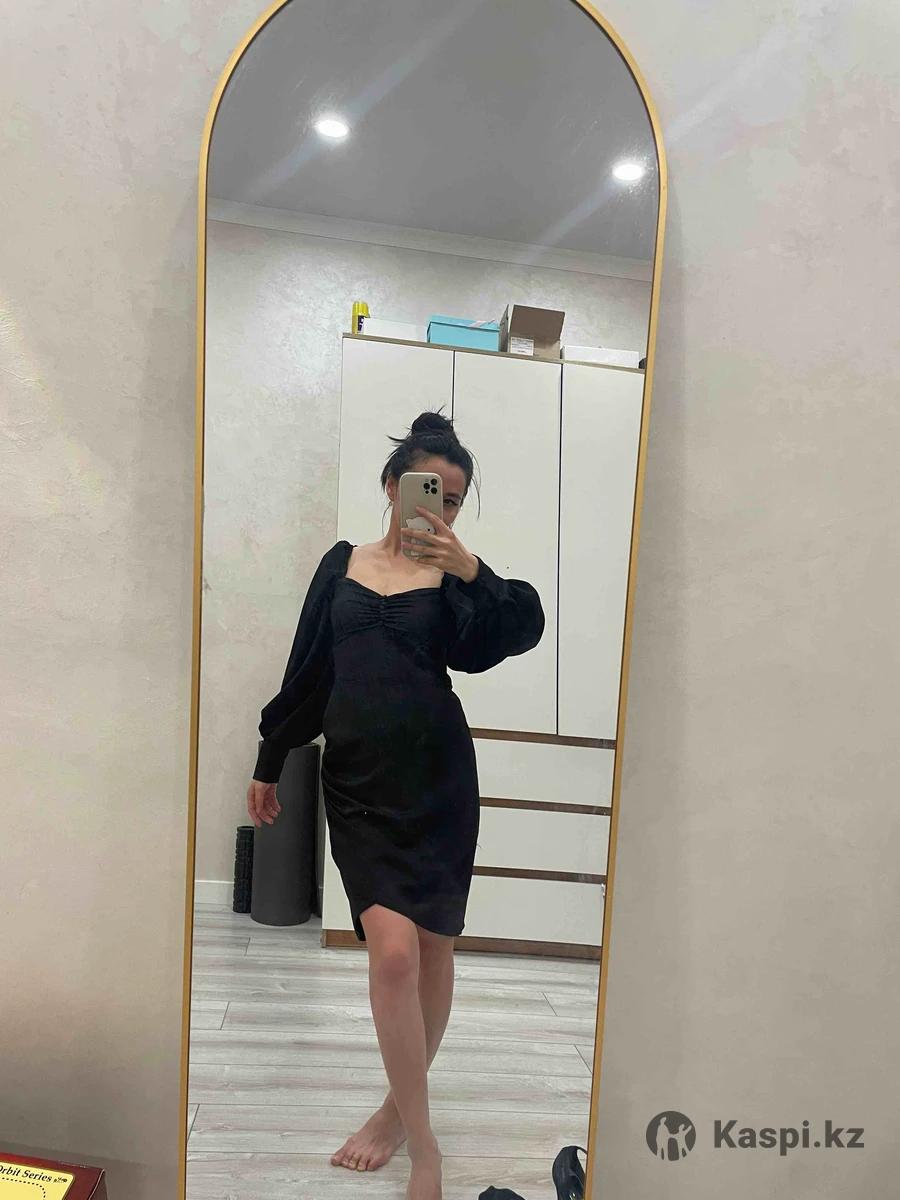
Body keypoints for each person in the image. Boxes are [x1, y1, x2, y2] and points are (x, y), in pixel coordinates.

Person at [246, 410, 545, 1200]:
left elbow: (522, 629)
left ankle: (394, 1111)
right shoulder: (340, 565)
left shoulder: (456, 584)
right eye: (427, 490)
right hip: (359, 785)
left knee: (434, 951)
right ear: (392, 485)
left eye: (454, 500)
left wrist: (471, 569)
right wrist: (271, 756)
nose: (438, 509)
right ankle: (425, 1146)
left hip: (438, 783)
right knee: (393, 955)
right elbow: (309, 669)